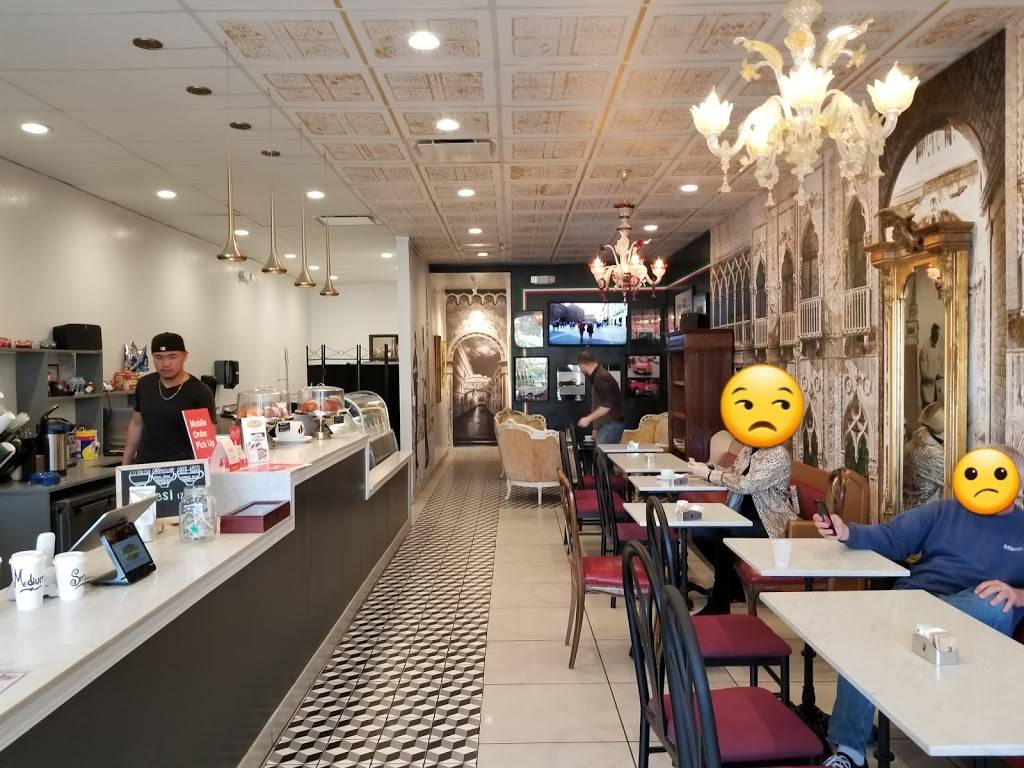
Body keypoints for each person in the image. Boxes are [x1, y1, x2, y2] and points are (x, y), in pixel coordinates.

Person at [815, 445, 1024, 768]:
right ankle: (849, 752)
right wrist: (847, 531)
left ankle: (921, 632)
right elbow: (891, 537)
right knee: (862, 643)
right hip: (918, 598)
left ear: (1015, 483)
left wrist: (1019, 595)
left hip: (976, 617)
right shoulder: (943, 512)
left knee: (995, 606)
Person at [686, 441, 795, 614]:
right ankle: (734, 587)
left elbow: (745, 485)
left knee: (724, 536)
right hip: (743, 518)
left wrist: (709, 474)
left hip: (770, 525)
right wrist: (708, 468)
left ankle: (720, 602)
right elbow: (734, 472)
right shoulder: (750, 449)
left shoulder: (778, 454)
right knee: (700, 532)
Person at [123, 332, 217, 465]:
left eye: (173, 357)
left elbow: (207, 442)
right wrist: (124, 466)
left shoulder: (199, 392)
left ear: (185, 356)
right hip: (145, 466)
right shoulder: (145, 384)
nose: (166, 364)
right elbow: (136, 424)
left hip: (182, 469)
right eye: (159, 357)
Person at [576, 351, 625, 444]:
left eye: (580, 367)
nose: (581, 370)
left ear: (583, 365)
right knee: (601, 452)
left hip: (610, 426)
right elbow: (600, 402)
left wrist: (588, 419)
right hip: (607, 425)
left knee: (602, 453)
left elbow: (607, 405)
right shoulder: (599, 375)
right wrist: (596, 426)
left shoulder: (600, 378)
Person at [903, 401, 944, 509]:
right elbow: (957, 480)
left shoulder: (914, 442)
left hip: (910, 509)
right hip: (927, 512)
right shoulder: (931, 453)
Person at [919, 322, 943, 405]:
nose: (937, 338)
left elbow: (938, 367)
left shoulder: (937, 350)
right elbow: (923, 373)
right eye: (936, 335)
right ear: (932, 334)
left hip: (936, 391)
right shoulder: (924, 350)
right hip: (927, 392)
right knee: (928, 412)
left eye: (938, 336)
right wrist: (935, 377)